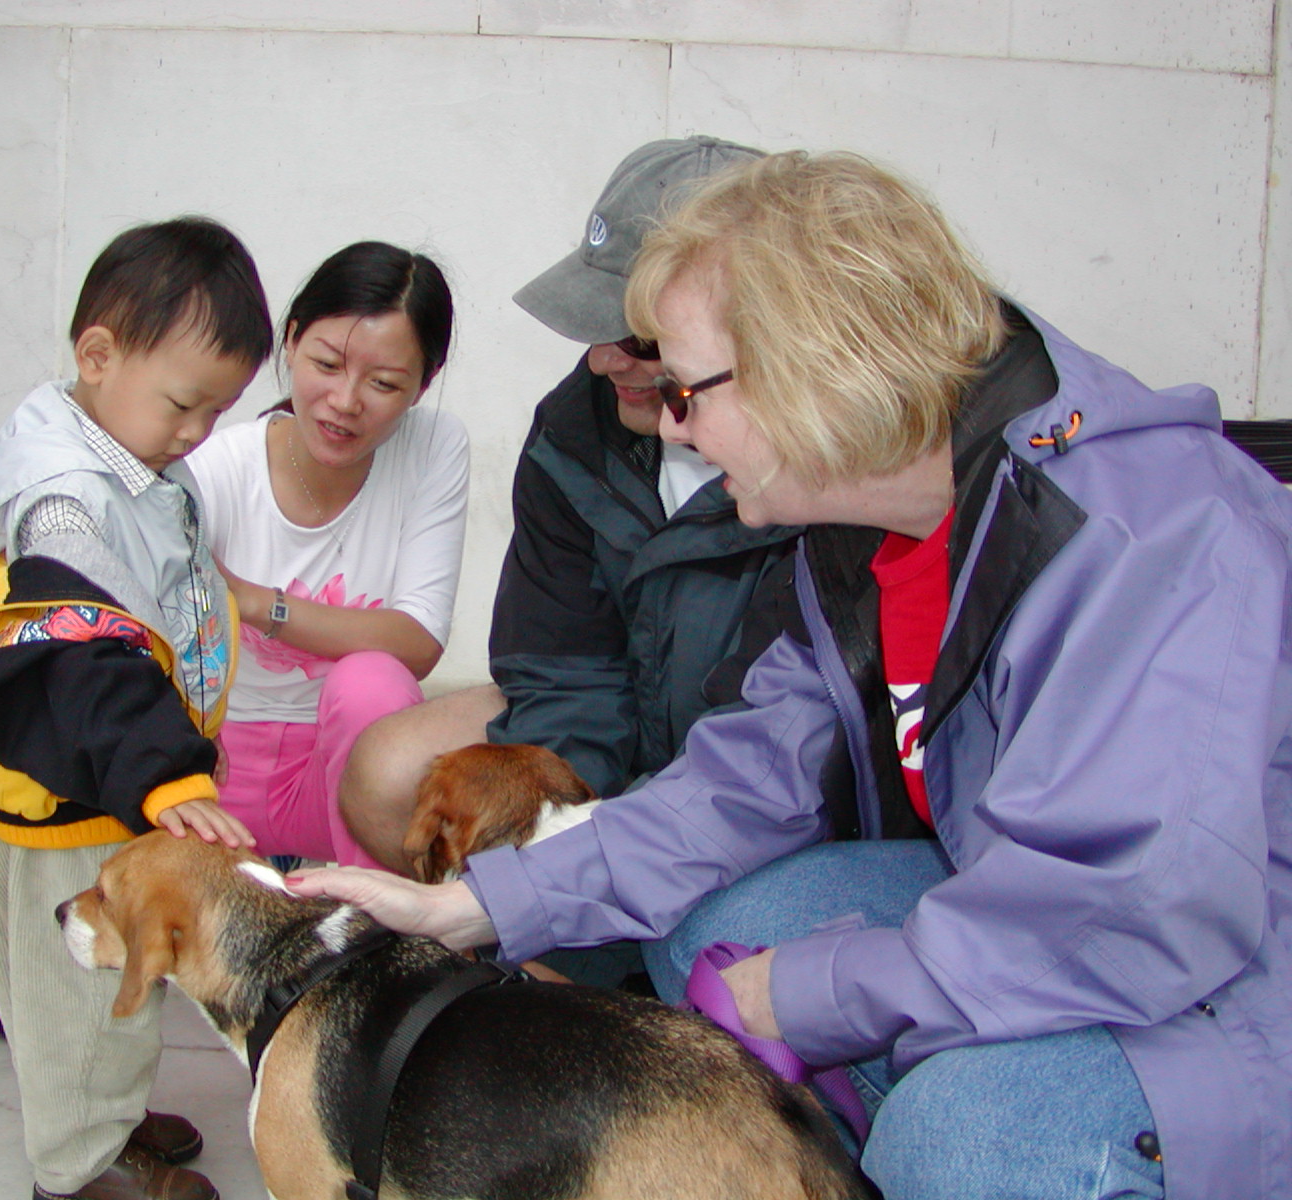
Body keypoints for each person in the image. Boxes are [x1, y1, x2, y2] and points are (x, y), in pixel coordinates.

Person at [290, 152, 1292, 1199]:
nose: (668, 423)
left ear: (812, 367)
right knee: (720, 925)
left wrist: (814, 995)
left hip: (1226, 994)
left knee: (961, 1138)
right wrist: (477, 907)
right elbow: (741, 782)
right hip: (1055, 916)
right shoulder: (861, 532)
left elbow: (1128, 910)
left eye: (685, 391)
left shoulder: (1149, 536)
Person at [0, 216, 270, 1200]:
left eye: (217, 412)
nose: (196, 434)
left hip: (74, 770)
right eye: (184, 405)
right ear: (99, 355)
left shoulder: (116, 449)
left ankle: (99, 1111)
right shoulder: (68, 500)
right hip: (79, 786)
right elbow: (86, 663)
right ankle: (78, 1168)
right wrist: (166, 772)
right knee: (82, 981)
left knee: (52, 977)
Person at [339, 137, 797, 888]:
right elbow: (561, 670)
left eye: (641, 337)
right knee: (388, 774)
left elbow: (786, 756)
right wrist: (556, 821)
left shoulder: (822, 470)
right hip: (629, 730)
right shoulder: (576, 427)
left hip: (757, 778)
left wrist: (617, 846)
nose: (602, 360)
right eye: (592, 325)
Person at [186, 241, 466, 869]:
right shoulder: (215, 469)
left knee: (373, 681)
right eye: (327, 364)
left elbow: (418, 641)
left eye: (384, 383)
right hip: (213, 776)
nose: (346, 400)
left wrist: (253, 601)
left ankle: (377, 916)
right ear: (290, 341)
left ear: (423, 385)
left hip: (343, 778)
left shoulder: (432, 448)